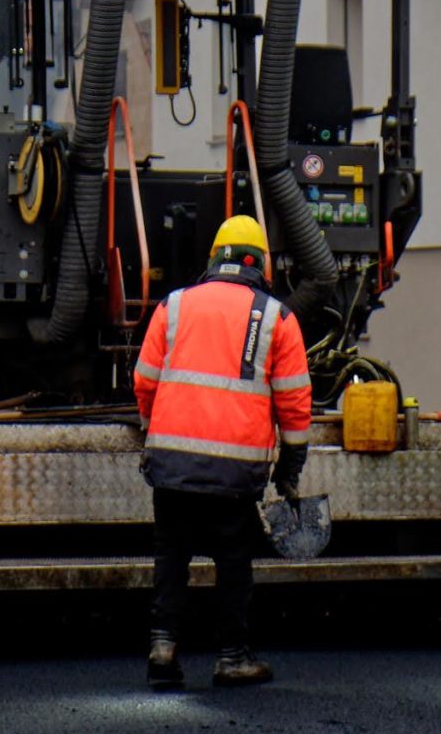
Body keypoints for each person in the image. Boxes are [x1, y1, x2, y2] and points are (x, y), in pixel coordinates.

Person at [131, 215, 312, 690]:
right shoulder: (277, 317)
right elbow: (294, 402)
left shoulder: (173, 305)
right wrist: (290, 467)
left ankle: (163, 651)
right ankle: (232, 657)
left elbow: (144, 380)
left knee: (171, 556)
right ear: (261, 266)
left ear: (214, 258)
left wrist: (153, 428)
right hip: (236, 470)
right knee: (234, 560)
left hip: (172, 461)